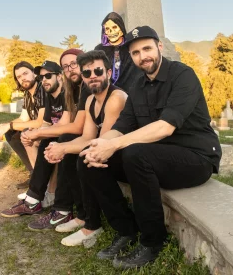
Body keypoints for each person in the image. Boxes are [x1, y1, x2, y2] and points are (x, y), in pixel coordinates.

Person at [79, 26, 222, 270]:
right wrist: (101, 145)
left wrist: (114, 144)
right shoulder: (137, 87)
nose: (142, 56)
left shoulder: (182, 75)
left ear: (159, 47)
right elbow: (123, 126)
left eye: (147, 48)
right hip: (158, 157)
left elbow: (165, 128)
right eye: (135, 52)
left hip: (196, 159)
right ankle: (126, 229)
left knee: (135, 153)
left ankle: (152, 241)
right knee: (89, 160)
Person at [29, 50, 127, 249]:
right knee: (70, 150)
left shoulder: (115, 98)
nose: (93, 77)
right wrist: (61, 147)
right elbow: (87, 136)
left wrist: (65, 148)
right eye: (87, 73)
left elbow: (103, 142)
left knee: (85, 162)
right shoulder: (91, 100)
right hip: (104, 146)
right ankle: (83, 216)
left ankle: (94, 225)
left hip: (125, 151)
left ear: (108, 73)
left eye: (98, 71)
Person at [0, 60, 68, 217]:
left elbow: (63, 124)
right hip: (56, 133)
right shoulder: (49, 96)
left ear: (59, 77)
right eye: (43, 77)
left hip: (65, 137)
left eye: (48, 76)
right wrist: (31, 132)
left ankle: (44, 194)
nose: (44, 80)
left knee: (48, 142)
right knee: (28, 138)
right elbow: (44, 122)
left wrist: (38, 132)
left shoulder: (62, 94)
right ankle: (37, 188)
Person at [0, 61, 45, 188]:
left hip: (49, 130)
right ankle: (33, 173)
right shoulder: (28, 94)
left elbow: (40, 122)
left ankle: (41, 178)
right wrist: (4, 126)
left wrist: (9, 125)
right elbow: (23, 118)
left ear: (33, 73)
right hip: (35, 129)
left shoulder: (42, 89)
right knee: (11, 132)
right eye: (19, 77)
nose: (23, 78)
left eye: (25, 73)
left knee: (18, 130)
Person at [95, 12, 141, 93]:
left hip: (131, 93)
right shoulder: (99, 50)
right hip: (106, 93)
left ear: (121, 28)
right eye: (107, 29)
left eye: (114, 27)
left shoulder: (130, 46)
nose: (111, 32)